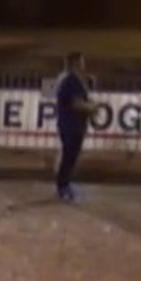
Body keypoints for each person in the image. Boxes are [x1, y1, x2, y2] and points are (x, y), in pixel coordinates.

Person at [54, 51, 98, 203]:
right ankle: (63, 187)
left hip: (74, 125)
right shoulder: (70, 80)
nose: (84, 64)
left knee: (71, 156)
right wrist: (91, 107)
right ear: (75, 64)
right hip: (70, 125)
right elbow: (75, 103)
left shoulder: (74, 80)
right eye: (81, 62)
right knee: (69, 156)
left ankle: (65, 184)